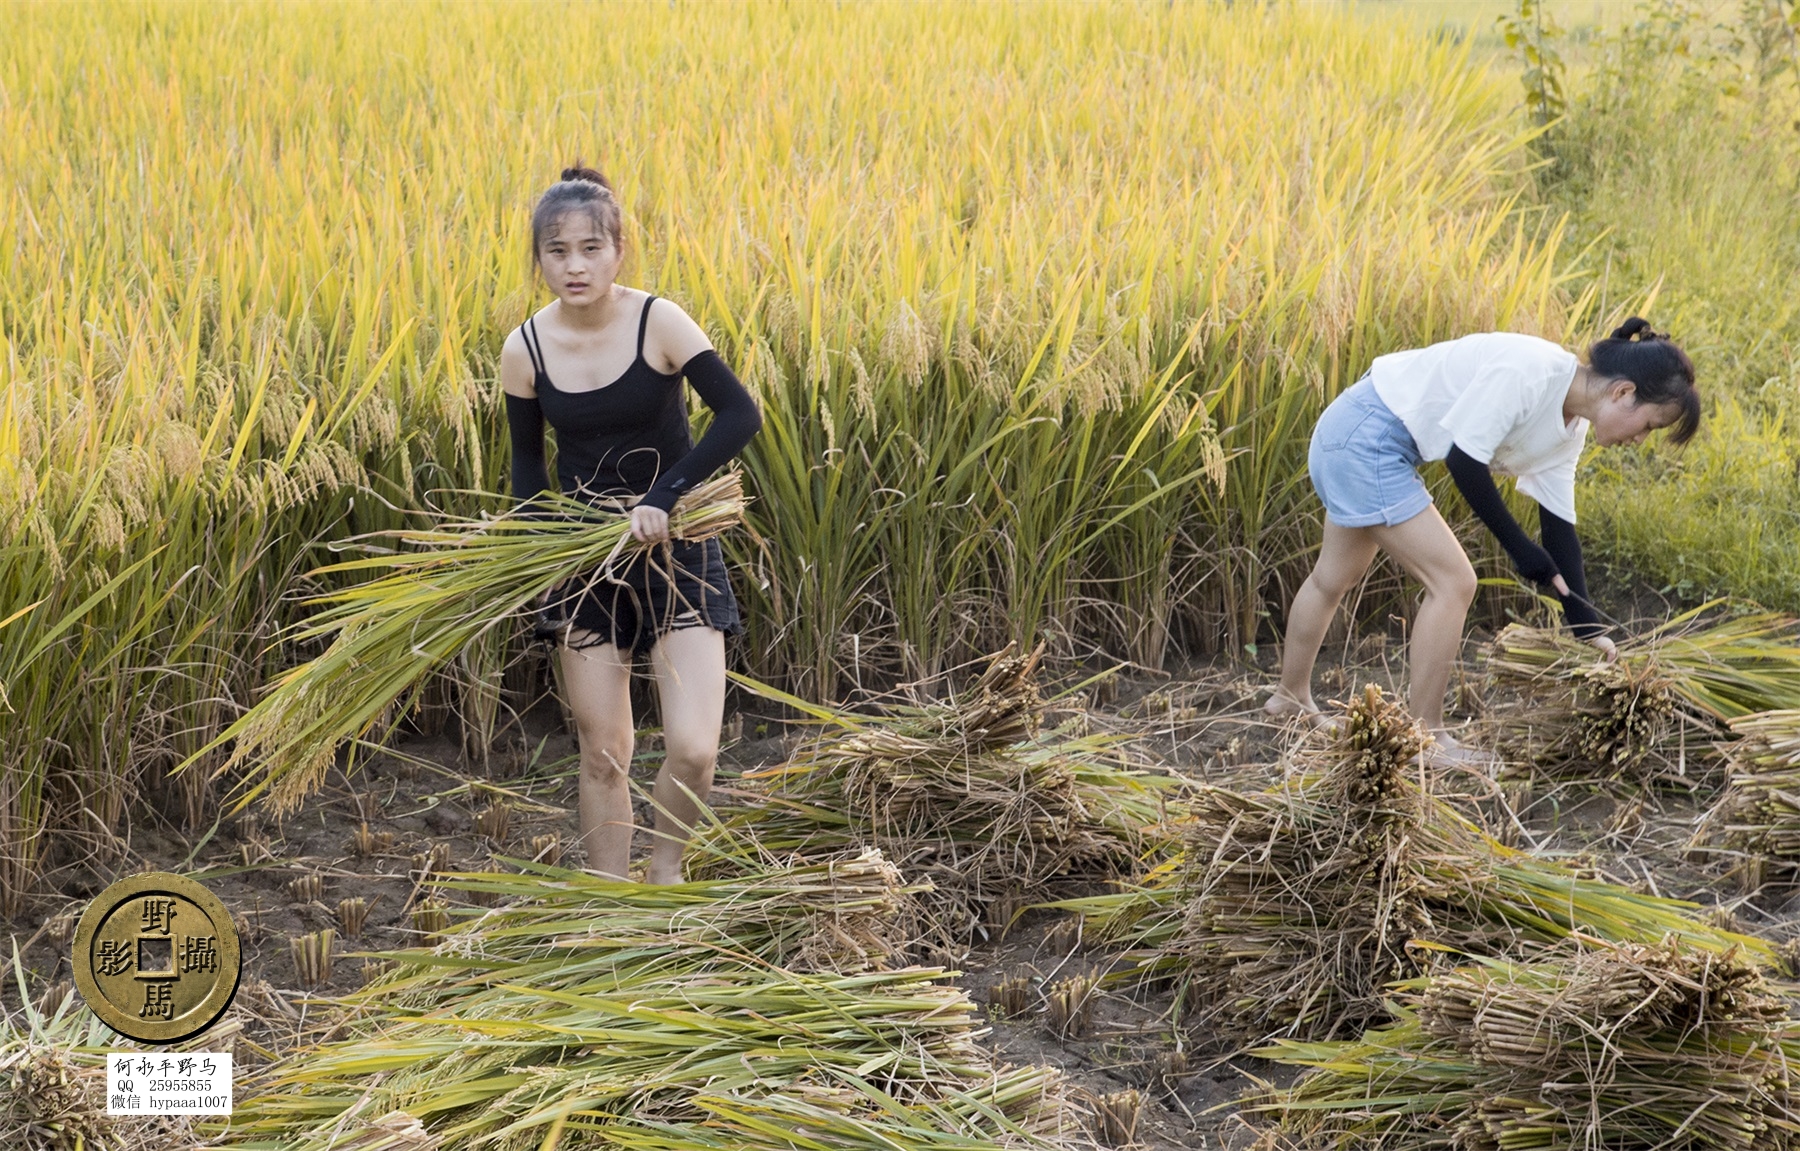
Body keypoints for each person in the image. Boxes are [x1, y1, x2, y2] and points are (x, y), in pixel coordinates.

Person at [1266, 319, 1700, 761]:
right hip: (1365, 437)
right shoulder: (1533, 371)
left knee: (1333, 577)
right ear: (1623, 393)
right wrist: (1521, 551)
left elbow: (1559, 530)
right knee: (1454, 582)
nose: (1640, 439)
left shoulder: (1570, 431)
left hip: (1356, 432)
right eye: (1649, 425)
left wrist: (1590, 631)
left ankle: (1289, 699)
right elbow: (1464, 463)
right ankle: (1426, 737)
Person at [499, 165, 762, 882]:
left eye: (591, 247)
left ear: (620, 249)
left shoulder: (659, 321)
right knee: (604, 750)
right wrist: (538, 550)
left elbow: (740, 414)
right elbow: (529, 469)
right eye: (557, 251)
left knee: (693, 747)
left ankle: (664, 872)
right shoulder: (525, 348)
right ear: (539, 258)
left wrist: (667, 496)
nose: (574, 265)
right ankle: (611, 900)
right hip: (589, 569)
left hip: (678, 552)